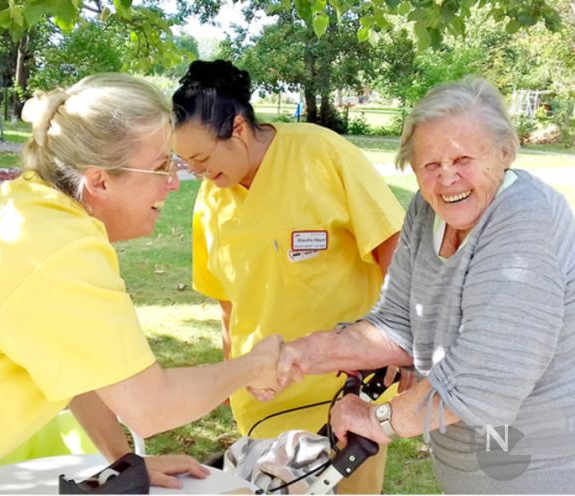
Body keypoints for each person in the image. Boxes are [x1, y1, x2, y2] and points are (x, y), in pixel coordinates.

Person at [0, 73, 283, 493]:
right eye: (162, 165)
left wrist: (123, 461)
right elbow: (152, 405)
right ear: (99, 181)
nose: (173, 181)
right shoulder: (60, 250)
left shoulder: (24, 208)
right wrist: (254, 365)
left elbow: (74, 363)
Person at [276, 76, 575, 493]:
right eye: (430, 164)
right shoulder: (425, 213)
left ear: (505, 152)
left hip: (546, 469)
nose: (447, 178)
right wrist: (298, 355)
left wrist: (376, 420)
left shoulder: (525, 221)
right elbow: (397, 326)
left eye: (463, 159)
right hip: (469, 471)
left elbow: (485, 383)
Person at [172, 60, 404, 493]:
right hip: (261, 400)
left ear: (238, 129)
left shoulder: (321, 153)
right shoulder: (211, 198)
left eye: (203, 159)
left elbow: (394, 247)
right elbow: (226, 299)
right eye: (188, 164)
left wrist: (395, 339)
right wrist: (231, 372)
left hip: (344, 395)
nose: (200, 174)